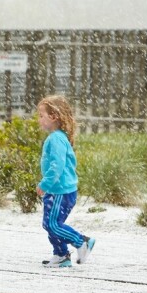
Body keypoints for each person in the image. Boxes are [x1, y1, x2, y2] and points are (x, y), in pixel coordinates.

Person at [36, 95, 95, 268]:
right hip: (58, 190)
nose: (39, 120)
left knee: (53, 224)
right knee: (50, 224)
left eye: (41, 115)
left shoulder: (56, 139)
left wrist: (45, 184)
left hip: (60, 191)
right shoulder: (57, 137)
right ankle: (61, 255)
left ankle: (82, 242)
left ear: (53, 117)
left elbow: (57, 165)